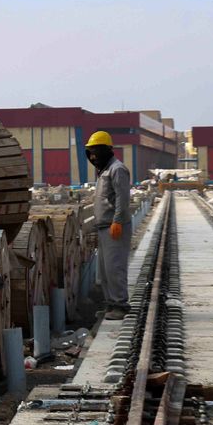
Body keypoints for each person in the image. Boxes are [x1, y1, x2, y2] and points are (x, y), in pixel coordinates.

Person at [86, 131, 132, 320]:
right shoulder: (104, 170)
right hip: (104, 226)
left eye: (96, 152)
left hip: (114, 226)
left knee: (115, 267)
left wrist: (118, 221)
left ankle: (120, 304)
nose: (93, 157)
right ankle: (111, 303)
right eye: (91, 153)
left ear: (106, 150)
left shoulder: (117, 169)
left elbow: (122, 198)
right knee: (104, 270)